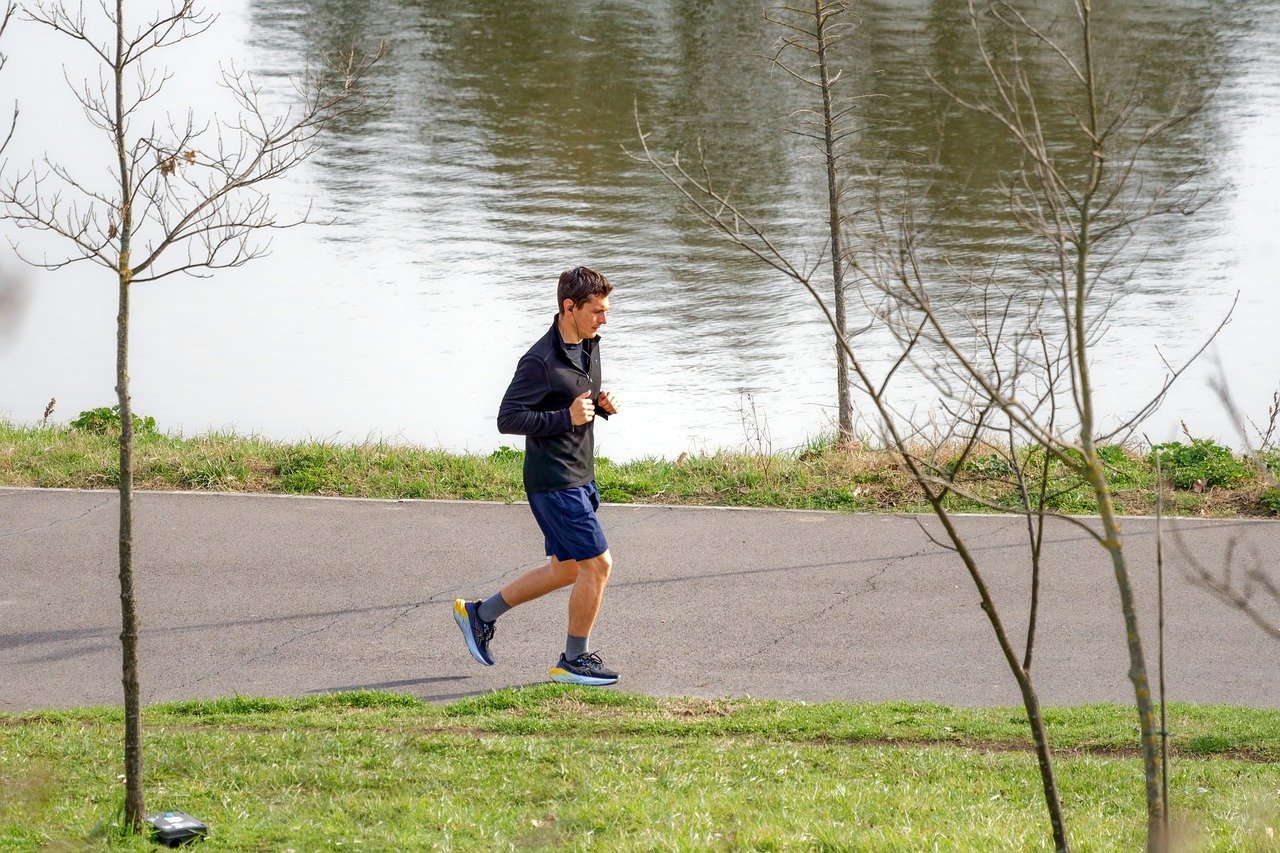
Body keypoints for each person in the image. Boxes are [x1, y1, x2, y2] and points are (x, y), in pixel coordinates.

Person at [453, 266, 622, 686]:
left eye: (605, 311)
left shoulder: (588, 345)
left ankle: (480, 614)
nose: (605, 319)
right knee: (598, 565)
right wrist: (564, 416)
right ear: (570, 307)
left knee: (567, 569)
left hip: (582, 474)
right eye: (597, 311)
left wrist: (597, 406)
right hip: (554, 481)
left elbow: (572, 400)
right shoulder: (539, 360)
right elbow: (508, 418)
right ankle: (573, 660)